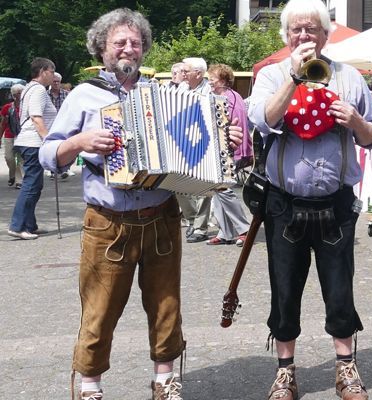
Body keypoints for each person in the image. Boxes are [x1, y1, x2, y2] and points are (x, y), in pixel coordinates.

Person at [38, 9, 243, 399]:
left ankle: (164, 381)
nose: (128, 48)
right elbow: (49, 155)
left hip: (161, 217)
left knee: (166, 305)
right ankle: (90, 387)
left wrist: (223, 141)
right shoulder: (84, 94)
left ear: (144, 49)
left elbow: (199, 147)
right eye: (120, 42)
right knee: (100, 309)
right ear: (102, 49)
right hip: (108, 221)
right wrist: (78, 144)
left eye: (135, 42)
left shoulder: (158, 93)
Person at [247, 0, 372, 398]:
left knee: (340, 289)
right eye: (296, 30)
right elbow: (263, 120)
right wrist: (292, 76)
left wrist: (355, 120)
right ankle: (285, 371)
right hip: (284, 205)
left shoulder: (350, 77)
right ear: (286, 36)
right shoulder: (271, 75)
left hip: (336, 204)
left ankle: (345, 369)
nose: (304, 36)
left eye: (312, 30)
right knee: (284, 289)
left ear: (326, 35)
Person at [8, 57, 56, 240]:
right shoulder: (38, 90)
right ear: (43, 71)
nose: (53, 76)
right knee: (31, 184)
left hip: (27, 142)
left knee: (34, 184)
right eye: (52, 72)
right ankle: (17, 225)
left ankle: (29, 224)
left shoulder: (29, 88)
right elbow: (36, 117)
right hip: (33, 142)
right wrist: (48, 140)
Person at [206, 63, 252, 246]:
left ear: (223, 80)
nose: (209, 80)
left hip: (232, 150)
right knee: (218, 187)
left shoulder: (226, 98)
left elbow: (225, 126)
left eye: (213, 78)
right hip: (231, 150)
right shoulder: (231, 96)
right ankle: (225, 232)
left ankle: (244, 228)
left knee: (223, 188)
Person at [176, 57, 213, 243]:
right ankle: (191, 220)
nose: (182, 74)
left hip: (204, 143)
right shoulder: (180, 89)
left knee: (203, 188)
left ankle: (200, 227)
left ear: (198, 74)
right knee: (178, 185)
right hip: (181, 141)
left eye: (186, 71)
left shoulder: (210, 91)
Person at [0, 84, 24, 188]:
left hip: (22, 136)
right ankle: (12, 175)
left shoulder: (26, 107)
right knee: (9, 157)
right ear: (13, 95)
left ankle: (19, 181)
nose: (19, 95)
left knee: (20, 159)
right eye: (17, 93)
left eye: (20, 92)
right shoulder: (7, 107)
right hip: (9, 135)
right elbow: (3, 123)